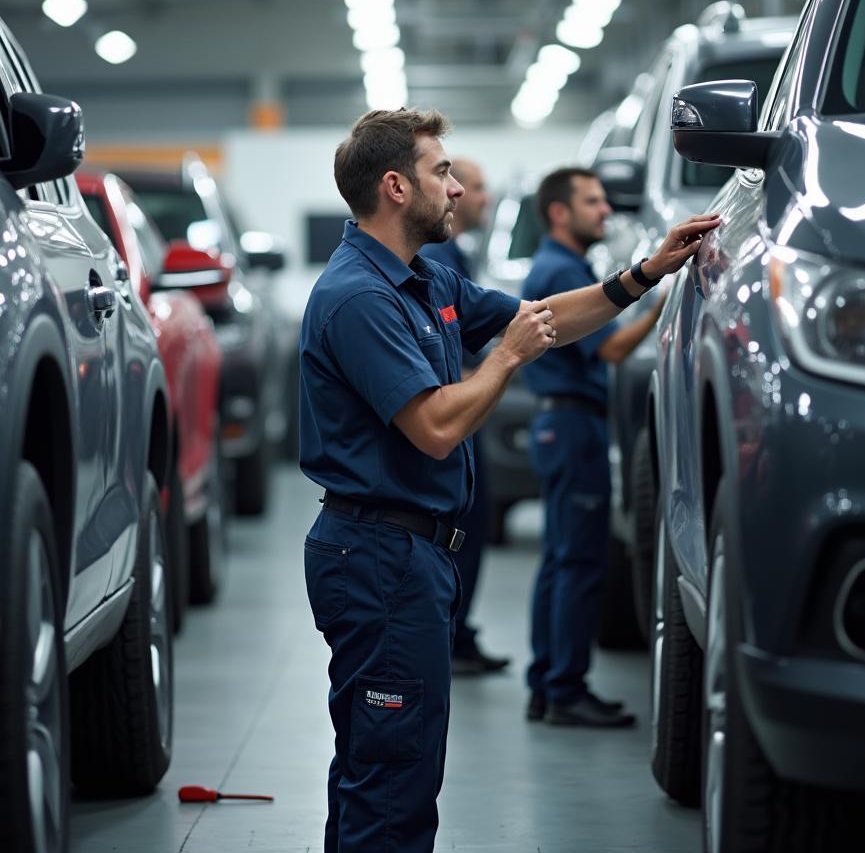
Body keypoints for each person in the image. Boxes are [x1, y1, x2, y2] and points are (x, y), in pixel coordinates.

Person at [298, 109, 719, 853]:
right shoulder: (359, 297)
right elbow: (433, 426)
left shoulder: (423, 279)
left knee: (389, 761)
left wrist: (644, 274)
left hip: (406, 555)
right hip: (378, 559)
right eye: (442, 173)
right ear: (395, 187)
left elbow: (543, 316)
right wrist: (505, 359)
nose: (457, 189)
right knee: (392, 773)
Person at [522, 167, 667, 729]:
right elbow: (609, 351)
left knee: (560, 560)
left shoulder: (561, 266)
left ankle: (547, 684)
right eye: (592, 201)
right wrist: (659, 301)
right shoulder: (558, 269)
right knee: (579, 562)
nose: (605, 210)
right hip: (574, 428)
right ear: (560, 212)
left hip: (561, 428)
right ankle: (566, 689)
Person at [420, 158, 508, 675]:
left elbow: (511, 315)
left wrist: (637, 279)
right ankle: (452, 632)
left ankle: (459, 630)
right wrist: (505, 357)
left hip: (465, 418)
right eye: (472, 186)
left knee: (473, 522)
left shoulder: (451, 259)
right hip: (453, 422)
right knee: (461, 525)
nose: (471, 196)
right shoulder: (435, 262)